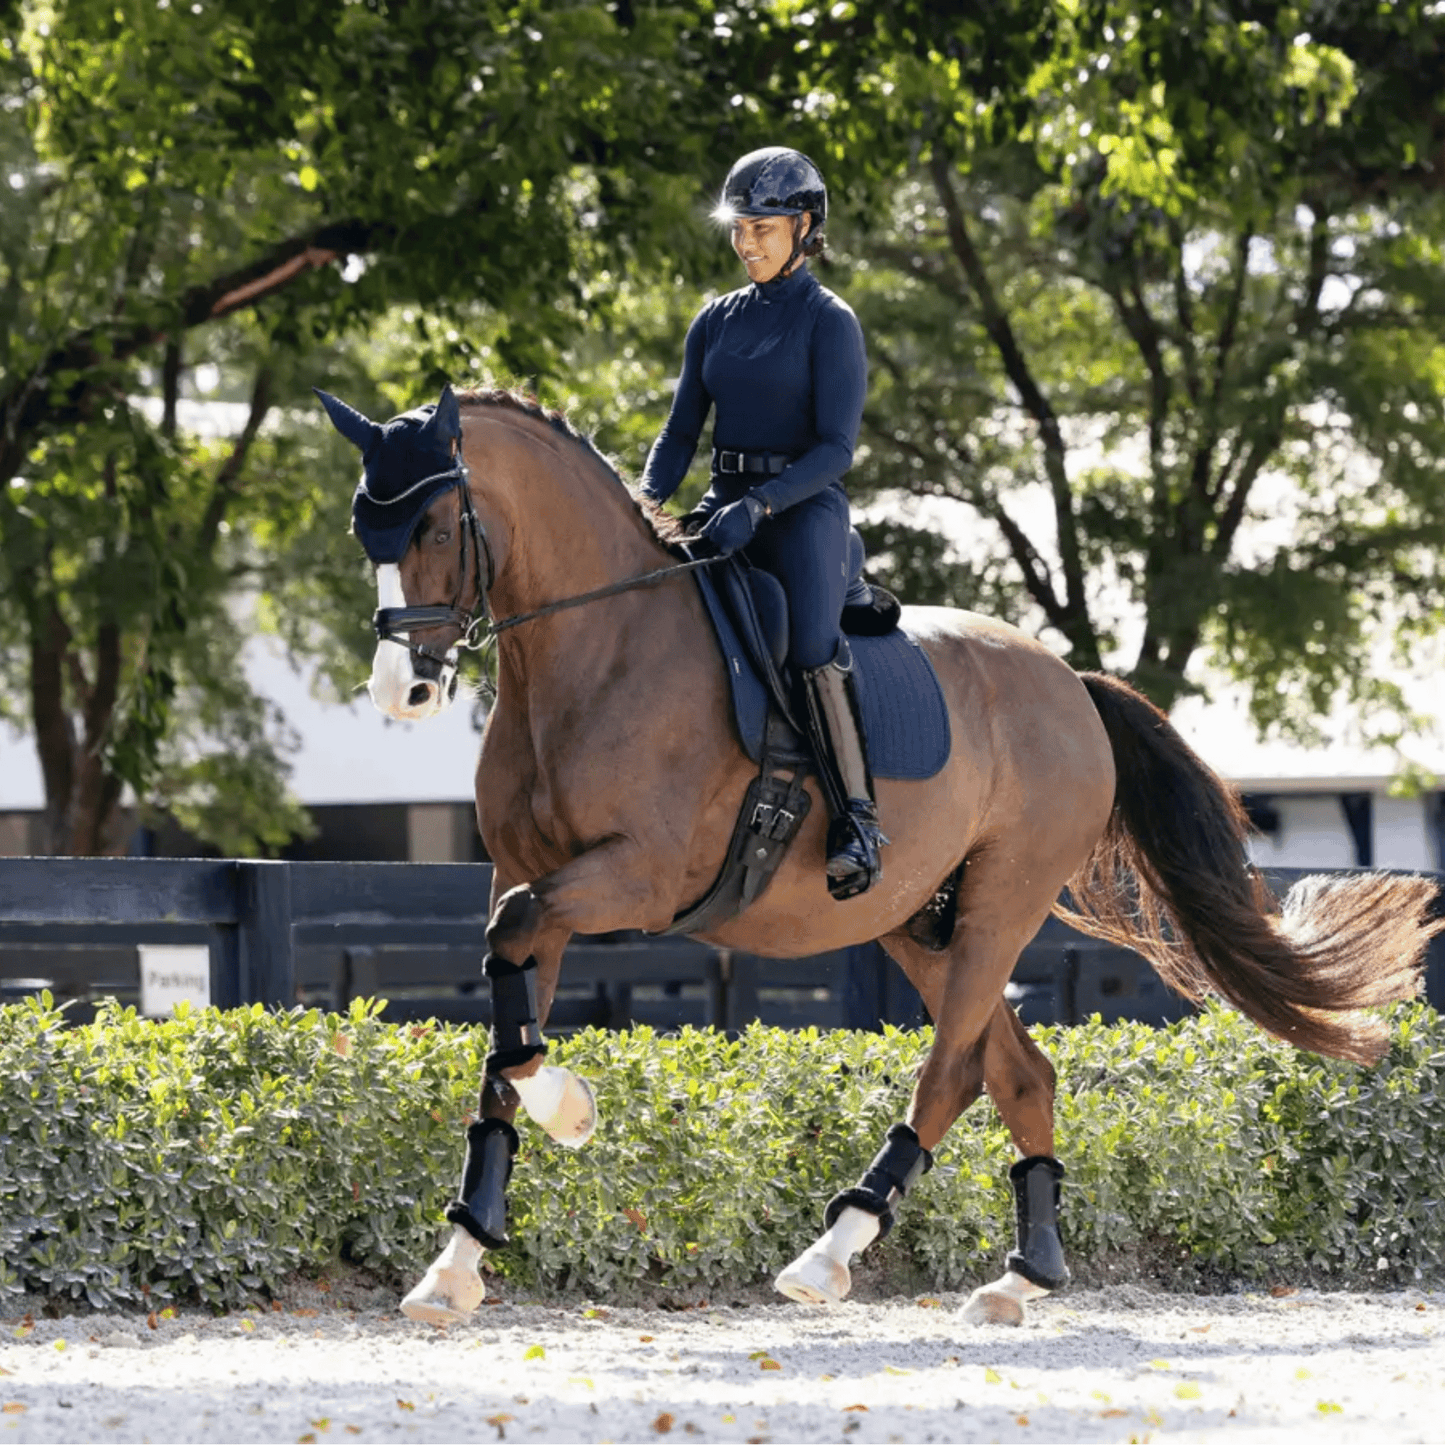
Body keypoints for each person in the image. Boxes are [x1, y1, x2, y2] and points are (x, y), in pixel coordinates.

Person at [640, 145, 887, 901]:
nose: (746, 241)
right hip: (722, 502)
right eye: (738, 229)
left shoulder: (829, 321)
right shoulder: (714, 320)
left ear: (804, 227)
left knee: (810, 645)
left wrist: (762, 503)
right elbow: (681, 431)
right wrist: (644, 503)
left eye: (762, 228)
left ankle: (856, 819)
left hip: (800, 509)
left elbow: (835, 449)